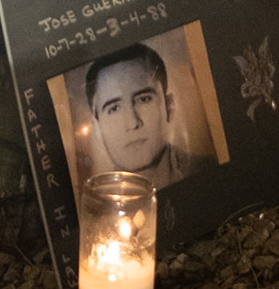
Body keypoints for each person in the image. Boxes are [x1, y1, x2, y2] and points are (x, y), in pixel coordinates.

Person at [83, 43, 195, 188]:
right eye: (114, 108)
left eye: (144, 99)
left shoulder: (204, 168)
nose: (132, 123)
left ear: (169, 106)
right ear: (97, 128)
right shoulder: (95, 204)